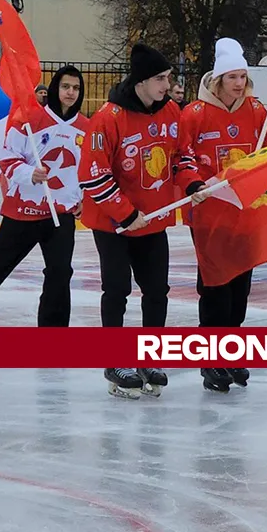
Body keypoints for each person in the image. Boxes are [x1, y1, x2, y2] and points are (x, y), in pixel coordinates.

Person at [78, 43, 207, 398]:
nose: (168, 85)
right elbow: (92, 174)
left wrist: (193, 183)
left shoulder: (171, 113)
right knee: (117, 289)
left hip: (153, 219)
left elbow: (182, 157)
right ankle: (115, 360)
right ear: (141, 81)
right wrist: (126, 213)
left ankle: (150, 358)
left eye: (168, 78)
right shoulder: (109, 117)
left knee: (156, 291)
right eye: (160, 78)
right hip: (113, 223)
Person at [0, 67, 88, 327]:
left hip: (60, 214)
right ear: (56, 88)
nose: (71, 92)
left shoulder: (85, 128)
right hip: (23, 212)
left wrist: (82, 197)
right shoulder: (29, 119)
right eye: (65, 86)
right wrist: (29, 173)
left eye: (76, 88)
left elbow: (86, 169)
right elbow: (8, 159)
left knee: (60, 273)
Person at [179, 37, 267, 393]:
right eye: (232, 77)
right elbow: (182, 157)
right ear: (218, 79)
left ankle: (231, 351)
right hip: (209, 213)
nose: (238, 83)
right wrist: (194, 183)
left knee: (240, 286)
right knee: (215, 286)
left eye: (242, 77)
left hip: (244, 211)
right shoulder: (194, 113)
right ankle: (211, 359)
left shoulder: (256, 111)